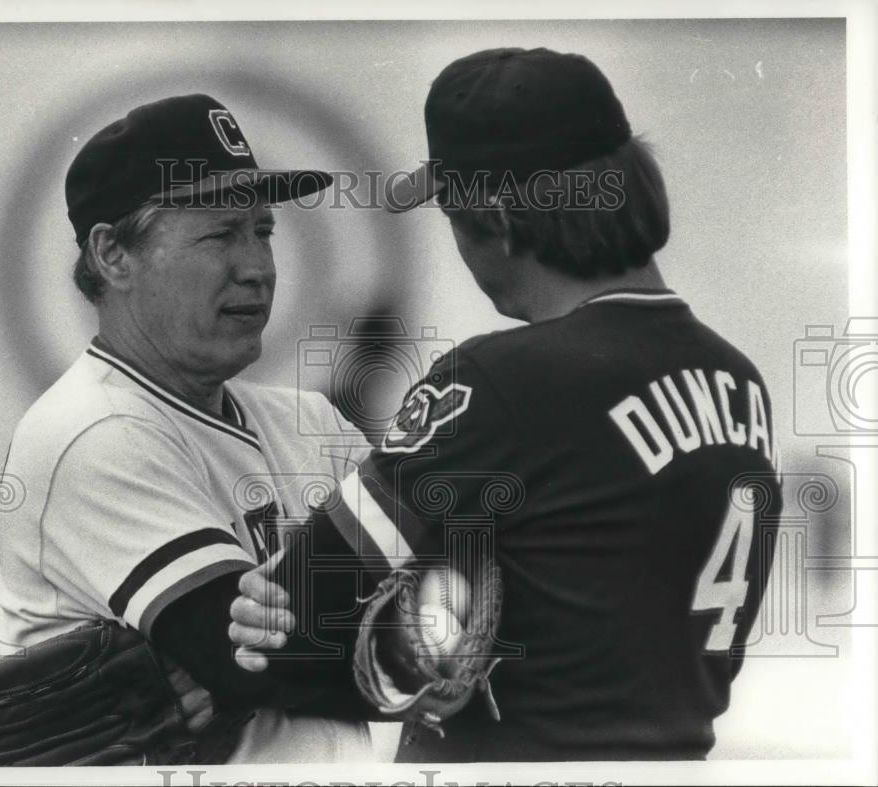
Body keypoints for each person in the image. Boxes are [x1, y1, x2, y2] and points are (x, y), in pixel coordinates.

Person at [228, 47, 783, 762]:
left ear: (499, 218)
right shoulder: (739, 381)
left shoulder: (501, 379)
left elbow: (293, 611)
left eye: (454, 217)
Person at [0, 93, 374, 763]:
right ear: (114, 255)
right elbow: (259, 659)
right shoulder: (90, 429)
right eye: (220, 233)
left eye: (263, 230)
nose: (256, 266)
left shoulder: (309, 421)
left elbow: (477, 592)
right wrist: (413, 628)